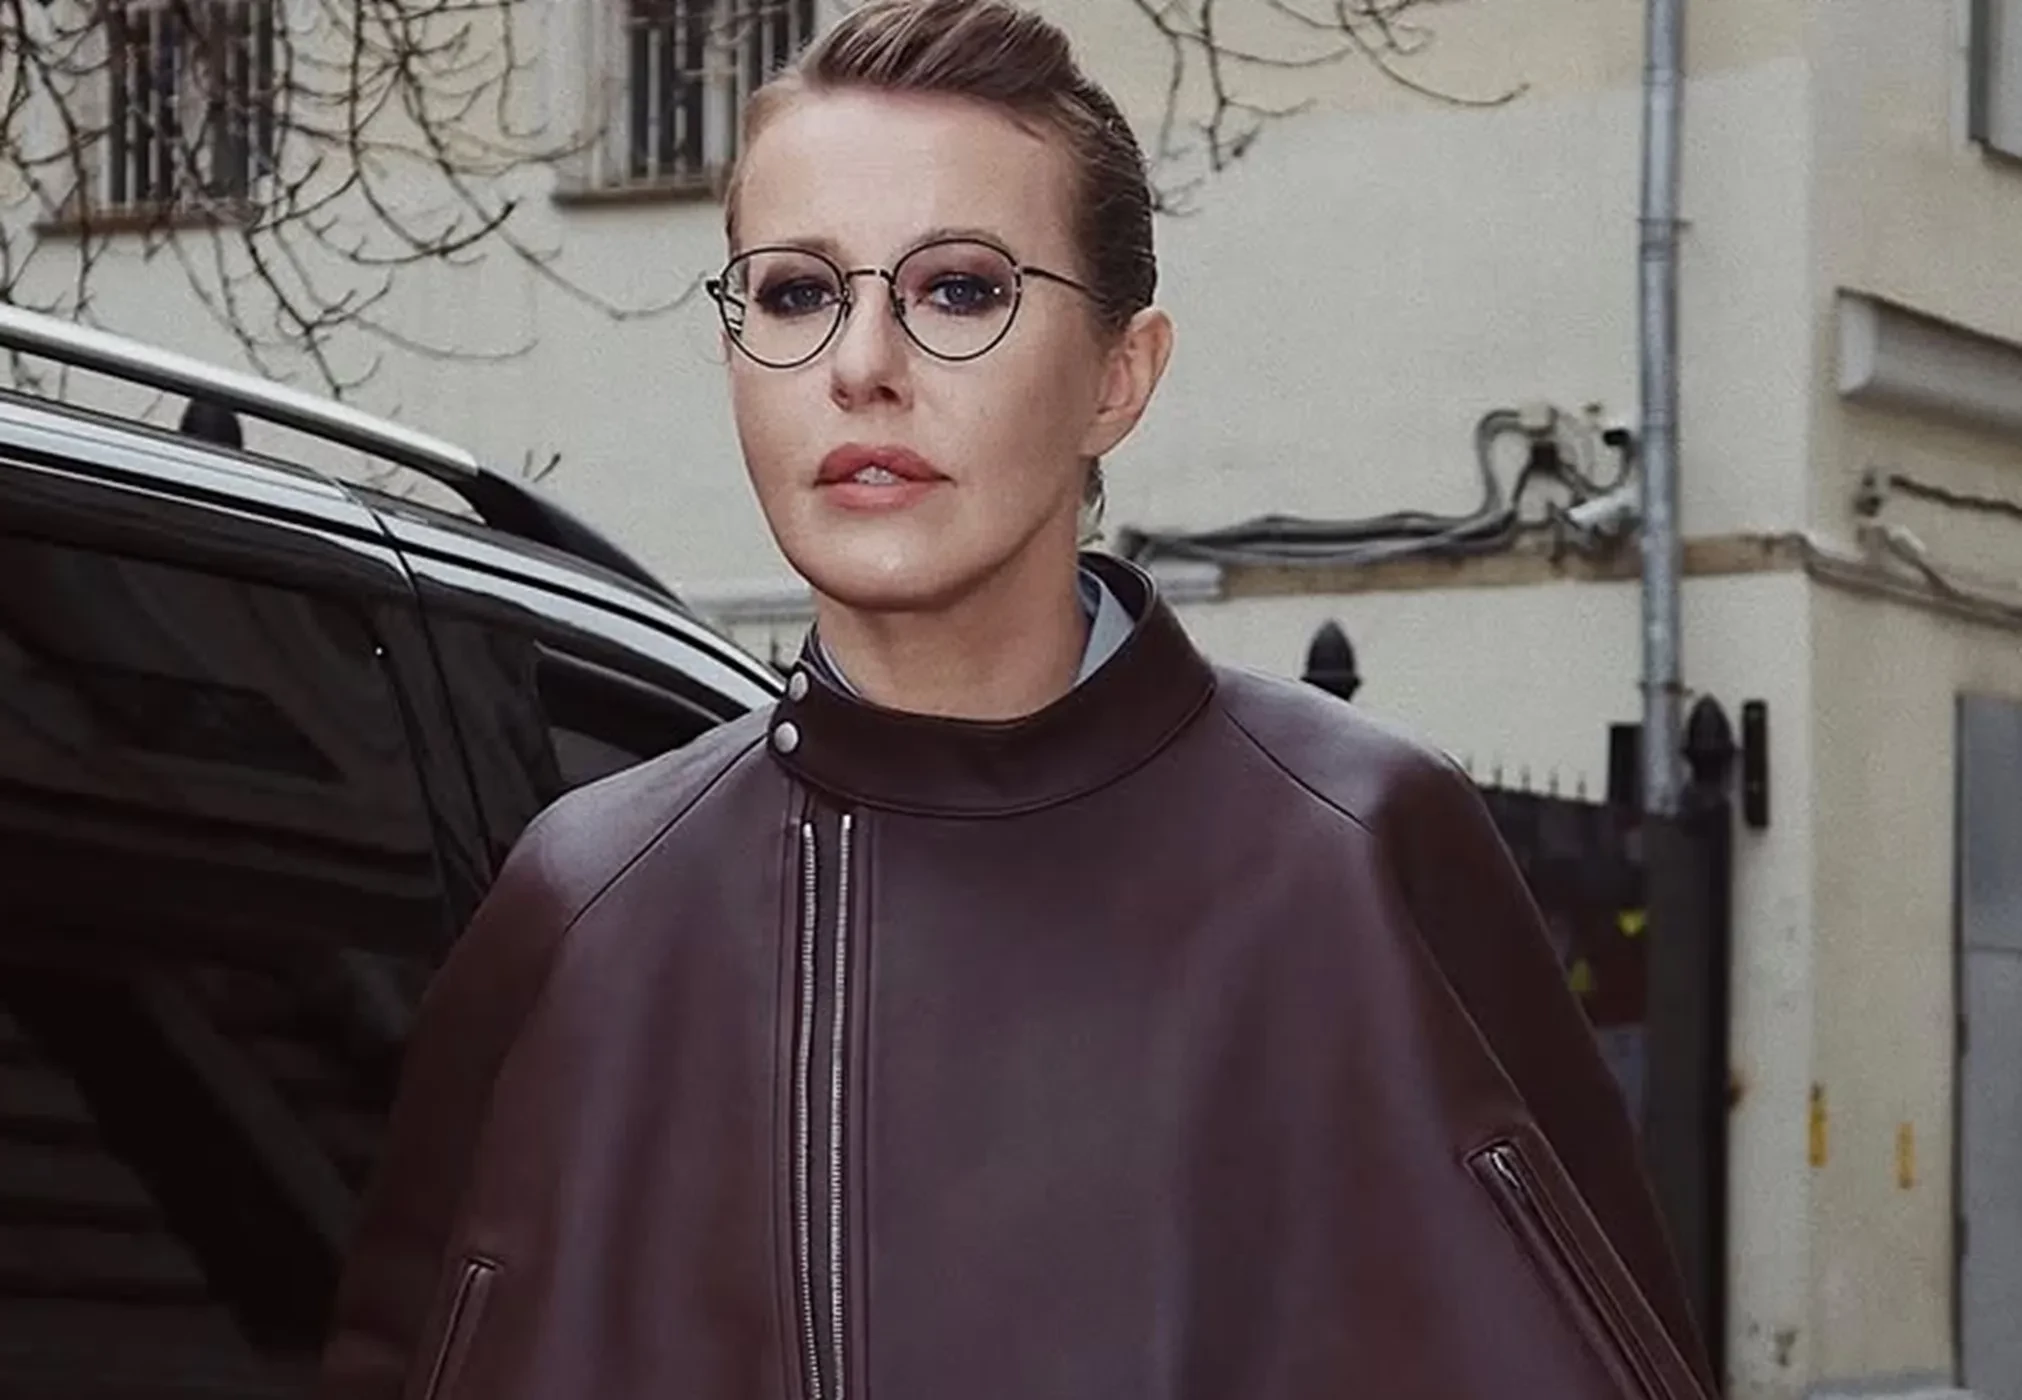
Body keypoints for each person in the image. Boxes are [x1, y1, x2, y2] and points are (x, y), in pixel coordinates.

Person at [317, 2, 1718, 1397]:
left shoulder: (1357, 855)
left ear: (1119, 375)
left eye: (958, 290)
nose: (862, 366)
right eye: (796, 293)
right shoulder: (588, 903)